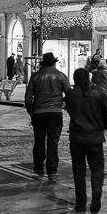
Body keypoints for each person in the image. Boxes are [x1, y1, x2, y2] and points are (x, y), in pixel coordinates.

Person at [65, 67, 107, 213]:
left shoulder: (71, 94)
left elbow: (71, 111)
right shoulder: (99, 92)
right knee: (97, 167)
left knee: (79, 170)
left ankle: (81, 203)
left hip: (77, 137)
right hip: (94, 137)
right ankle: (96, 193)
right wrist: (101, 126)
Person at [24, 51, 71, 180]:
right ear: (54, 63)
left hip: (39, 113)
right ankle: (52, 170)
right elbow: (69, 94)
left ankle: (39, 168)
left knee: (39, 141)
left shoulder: (36, 76)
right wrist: (64, 105)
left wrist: (32, 112)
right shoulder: (61, 76)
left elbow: (28, 97)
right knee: (53, 142)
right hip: (56, 112)